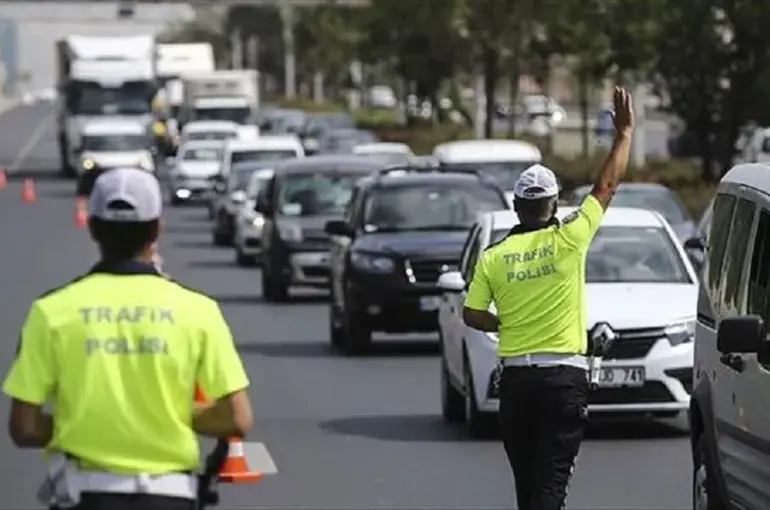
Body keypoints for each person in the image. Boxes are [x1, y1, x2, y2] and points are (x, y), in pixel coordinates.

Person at [3, 167, 254, 510]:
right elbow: (237, 419)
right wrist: (170, 413)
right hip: (172, 495)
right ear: (157, 229)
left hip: (84, 495)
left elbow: (24, 427)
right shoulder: (199, 311)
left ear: (92, 227)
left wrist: (80, 422)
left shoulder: (51, 312)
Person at [462, 86, 634, 510]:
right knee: (550, 488)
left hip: (518, 384)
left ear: (517, 206)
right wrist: (624, 135)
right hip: (563, 383)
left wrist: (506, 323)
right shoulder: (571, 238)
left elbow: (471, 314)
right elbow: (607, 185)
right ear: (554, 205)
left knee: (528, 489)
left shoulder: (494, 257)